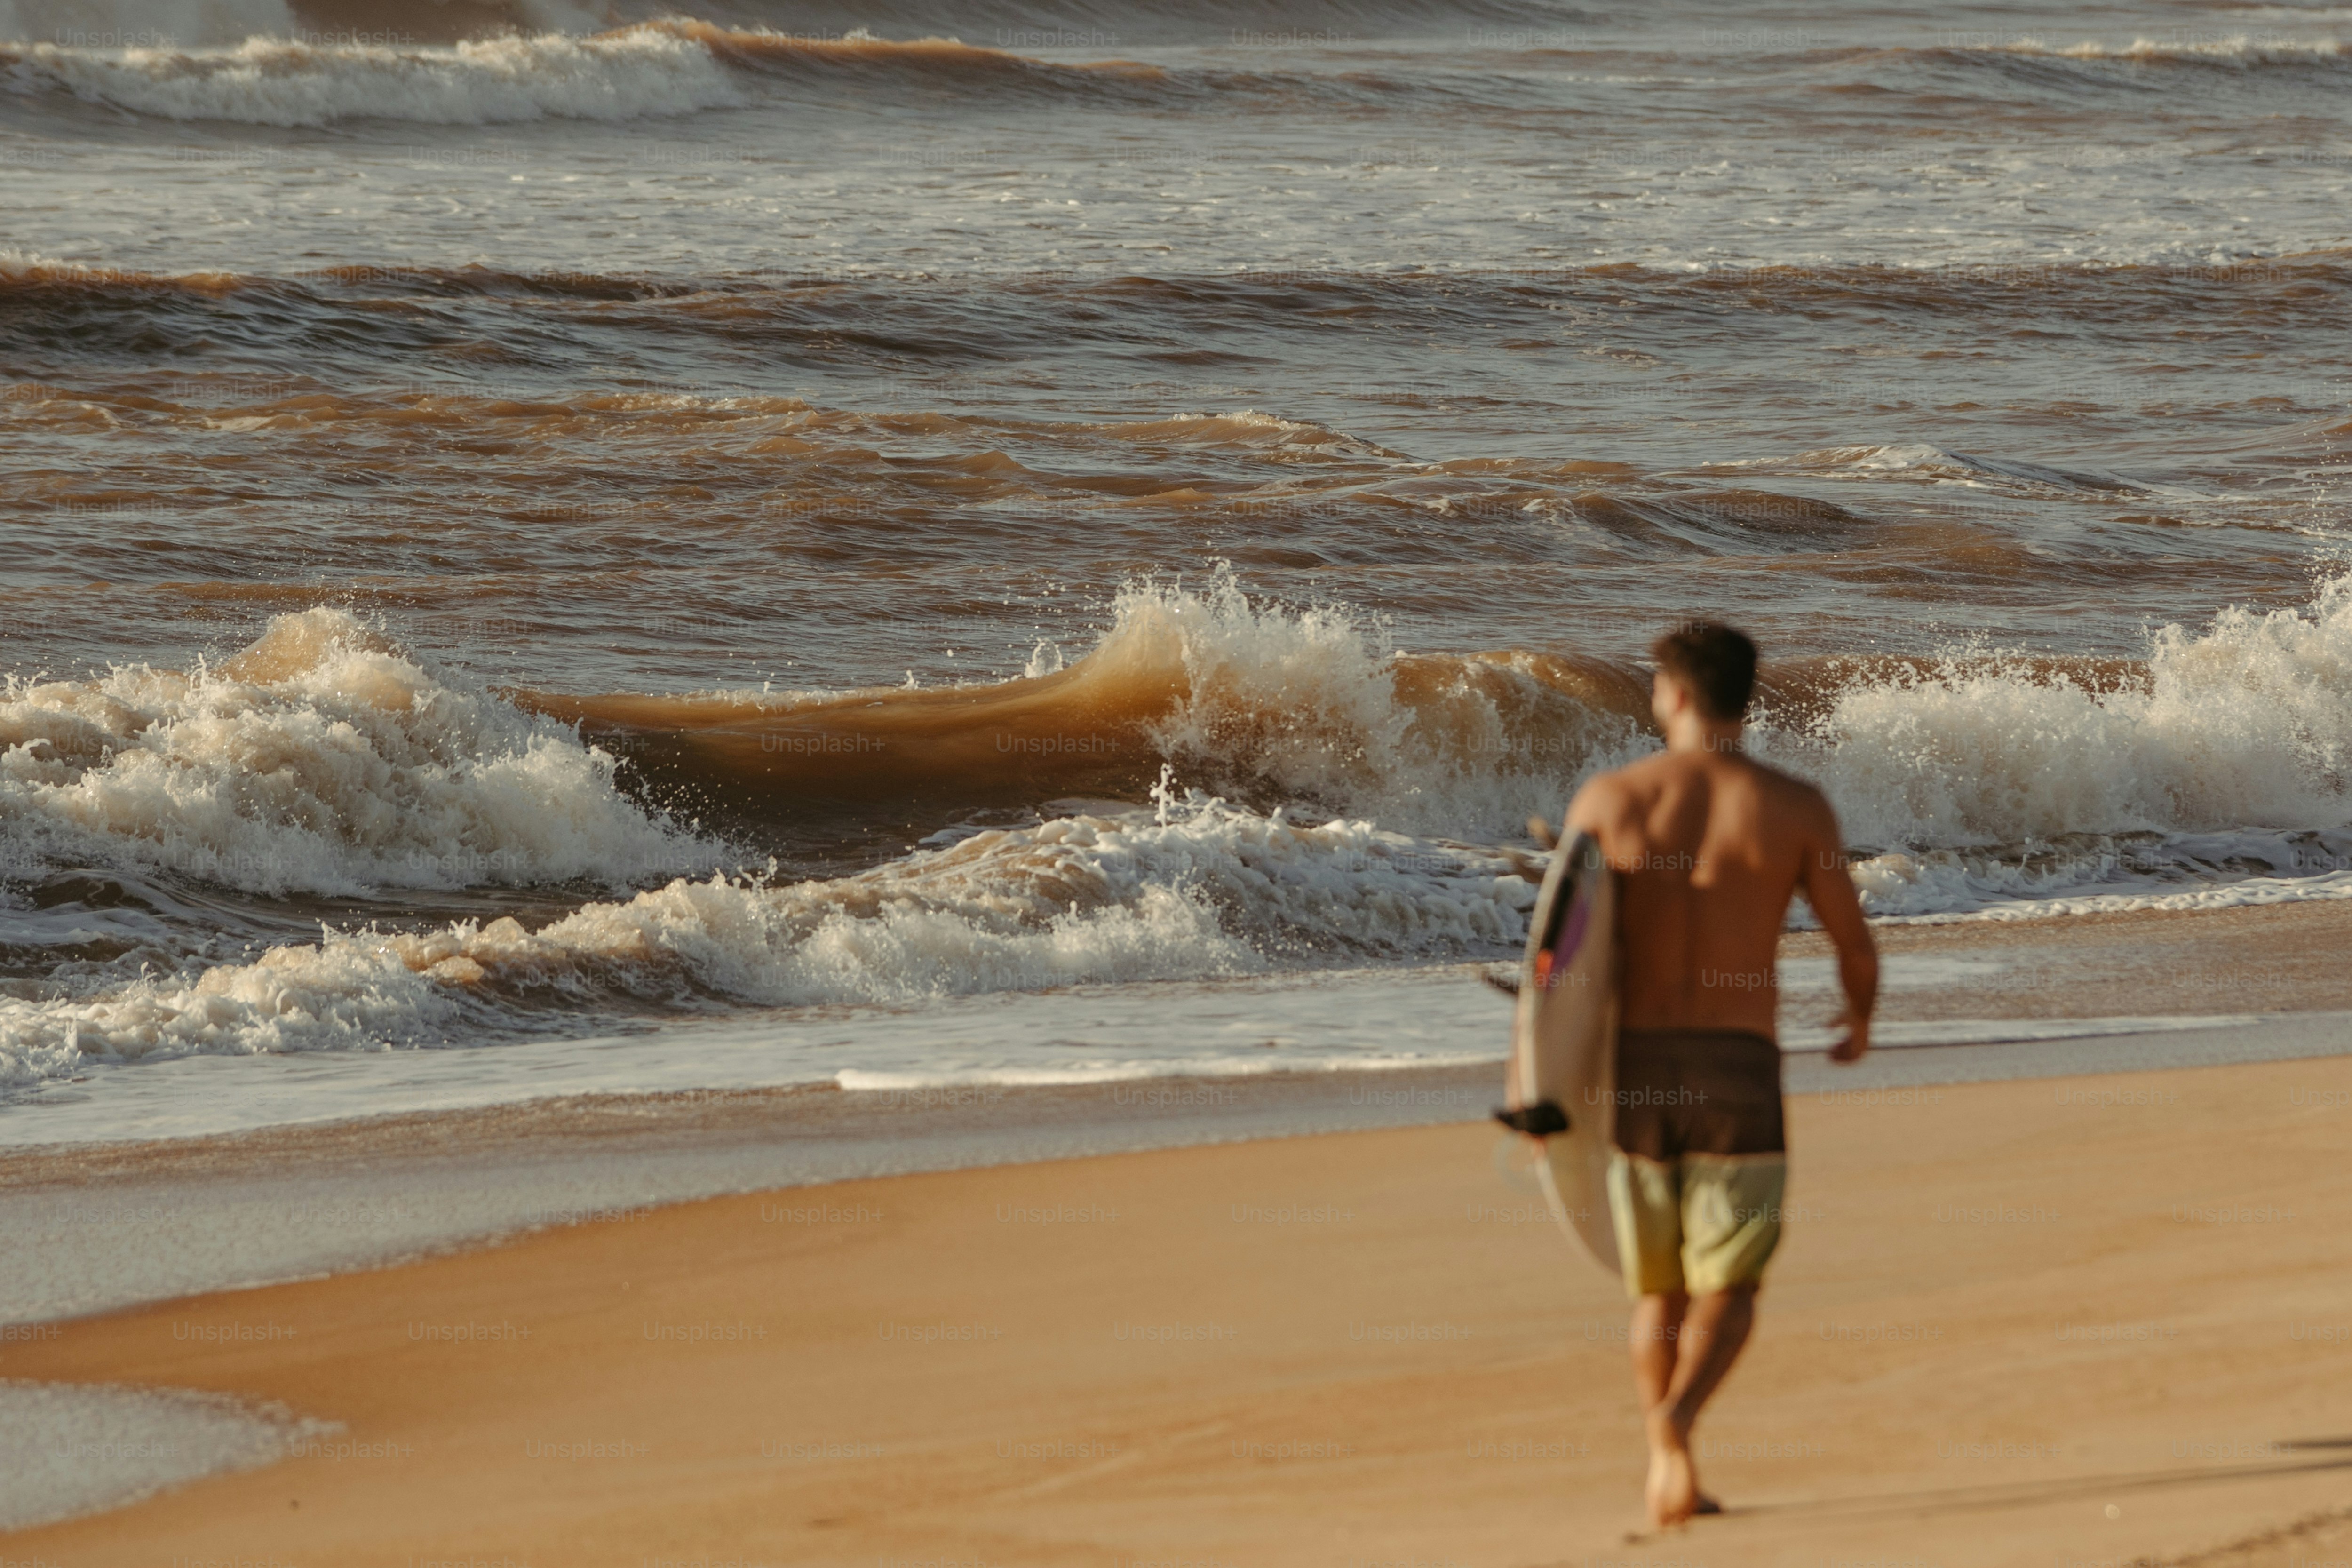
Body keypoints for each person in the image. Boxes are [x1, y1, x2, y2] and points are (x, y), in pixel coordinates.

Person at [1560, 621, 1878, 1529]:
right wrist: (1859, 1019)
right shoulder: (1793, 807)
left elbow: (1561, 961)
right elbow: (1854, 944)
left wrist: (1544, 1083)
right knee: (1730, 1286)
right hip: (1737, 1068)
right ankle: (1679, 1422)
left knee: (1658, 1289)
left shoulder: (1611, 803)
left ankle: (1670, 1455)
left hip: (1638, 1071)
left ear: (1675, 693)